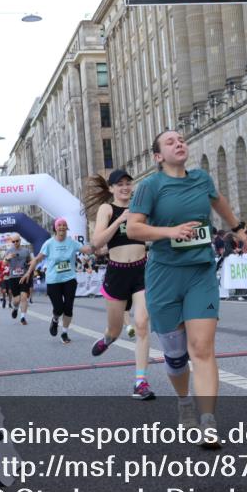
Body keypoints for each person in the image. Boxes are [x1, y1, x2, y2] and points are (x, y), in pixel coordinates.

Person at [125, 130, 247, 445]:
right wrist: (171, 232)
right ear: (158, 156)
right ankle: (184, 404)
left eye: (181, 139)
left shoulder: (201, 179)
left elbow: (219, 202)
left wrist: (237, 229)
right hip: (164, 276)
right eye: (170, 142)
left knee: (202, 348)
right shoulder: (151, 186)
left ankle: (208, 420)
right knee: (176, 356)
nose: (179, 143)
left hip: (200, 272)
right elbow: (133, 228)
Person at [86, 169, 156, 401]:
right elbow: (96, 242)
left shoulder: (141, 207)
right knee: (115, 330)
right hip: (117, 273)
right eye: (120, 184)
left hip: (141, 270)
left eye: (128, 183)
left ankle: (140, 381)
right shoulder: (107, 209)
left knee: (142, 323)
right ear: (112, 188)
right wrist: (119, 219)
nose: (125, 187)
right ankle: (107, 339)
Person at [23, 218, 93, 345]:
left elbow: (87, 250)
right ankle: (55, 319)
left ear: (67, 228)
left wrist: (98, 244)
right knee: (59, 308)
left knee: (68, 308)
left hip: (70, 279)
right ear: (55, 228)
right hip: (53, 280)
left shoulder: (72, 243)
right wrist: (29, 272)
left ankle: (65, 333)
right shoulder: (49, 244)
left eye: (64, 225)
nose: (61, 227)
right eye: (59, 225)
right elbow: (37, 259)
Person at [5, 235, 34, 325]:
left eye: (17, 241)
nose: (15, 243)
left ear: (20, 241)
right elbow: (4, 263)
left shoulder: (26, 251)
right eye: (13, 242)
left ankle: (23, 317)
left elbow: (32, 261)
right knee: (16, 300)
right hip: (13, 278)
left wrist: (30, 263)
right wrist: (7, 258)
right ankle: (15, 308)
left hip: (24, 276)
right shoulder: (9, 251)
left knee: (24, 297)